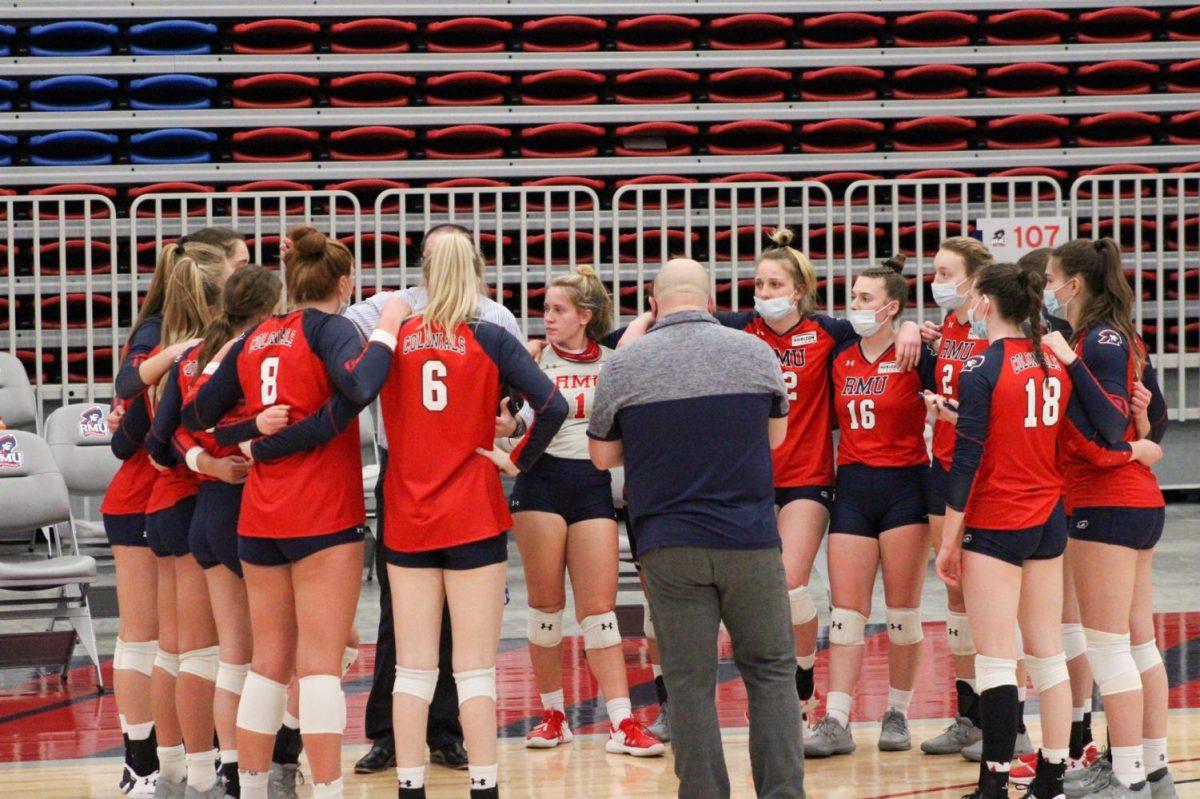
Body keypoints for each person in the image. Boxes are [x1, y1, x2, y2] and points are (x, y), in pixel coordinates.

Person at [620, 230, 921, 735]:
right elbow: (670, 321)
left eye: (773, 283)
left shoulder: (830, 332)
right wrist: (639, 322)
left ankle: (801, 688)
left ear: (799, 290)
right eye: (757, 283)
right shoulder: (739, 328)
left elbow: (883, 333)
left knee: (789, 584)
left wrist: (910, 323)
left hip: (809, 479)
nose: (762, 292)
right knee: (749, 593)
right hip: (751, 483)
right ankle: (789, 693)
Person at [182, 227, 404, 799]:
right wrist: (385, 329)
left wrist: (250, 434)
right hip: (322, 517)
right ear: (343, 282)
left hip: (259, 518)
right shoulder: (330, 328)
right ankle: (327, 790)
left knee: (268, 665)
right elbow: (358, 387)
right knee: (320, 667)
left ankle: (252, 788)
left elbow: (197, 414)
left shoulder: (256, 336)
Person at [590, 258, 803, 799]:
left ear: (654, 305)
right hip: (750, 540)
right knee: (773, 674)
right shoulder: (755, 352)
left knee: (688, 684)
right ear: (710, 303)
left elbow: (600, 456)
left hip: (668, 544)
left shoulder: (626, 364)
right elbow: (776, 438)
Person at [343, 222, 525, 774]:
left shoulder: (494, 317)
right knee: (404, 617)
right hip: (410, 466)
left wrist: (510, 420)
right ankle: (391, 737)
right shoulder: (386, 308)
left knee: (455, 623)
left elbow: (523, 407)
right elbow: (332, 331)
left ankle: (444, 735)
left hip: (465, 465)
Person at [103, 230, 244, 796]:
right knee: (156, 641)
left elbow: (137, 419)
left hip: (171, 493)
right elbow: (129, 422)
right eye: (240, 265)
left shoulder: (197, 339)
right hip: (152, 494)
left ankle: (176, 765)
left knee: (173, 645)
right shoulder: (164, 334)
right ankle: (149, 763)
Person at [507, 266, 663, 756]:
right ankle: (553, 715)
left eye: (557, 310)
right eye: (545, 309)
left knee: (600, 614)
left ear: (585, 316)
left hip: (592, 485)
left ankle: (621, 723)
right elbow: (506, 423)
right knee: (546, 610)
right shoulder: (530, 360)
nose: (546, 318)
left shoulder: (615, 362)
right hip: (541, 485)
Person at [1041, 238, 1174, 799]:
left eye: (1052, 277)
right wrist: (1146, 441)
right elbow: (1152, 416)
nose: (1047, 286)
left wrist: (1069, 366)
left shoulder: (1097, 341)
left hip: (1107, 500)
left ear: (1074, 285)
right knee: (1138, 643)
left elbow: (1107, 420)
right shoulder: (1113, 336)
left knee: (1109, 646)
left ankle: (1128, 778)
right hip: (1134, 498)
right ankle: (1153, 768)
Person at [145, 265, 284, 798]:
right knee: (279, 654)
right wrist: (243, 443)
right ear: (270, 308)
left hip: (204, 507)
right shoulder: (256, 355)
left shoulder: (193, 356)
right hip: (244, 509)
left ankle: (215, 773)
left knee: (223, 655)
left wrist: (203, 462)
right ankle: (265, 767)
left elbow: (165, 441)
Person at [805, 256, 937, 757]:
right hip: (854, 486)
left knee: (902, 615)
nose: (854, 306)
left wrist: (911, 331)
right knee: (846, 614)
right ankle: (836, 719)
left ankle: (898, 712)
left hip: (906, 486)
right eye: (853, 297)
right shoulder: (840, 355)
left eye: (865, 299)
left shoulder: (917, 354)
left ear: (891, 308)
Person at [918, 236, 998, 756]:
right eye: (935, 273)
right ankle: (968, 713)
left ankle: (1006, 720)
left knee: (991, 598)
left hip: (987, 474)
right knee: (954, 594)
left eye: (946, 274)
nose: (937, 282)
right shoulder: (948, 326)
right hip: (943, 466)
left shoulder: (999, 327)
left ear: (974, 279)